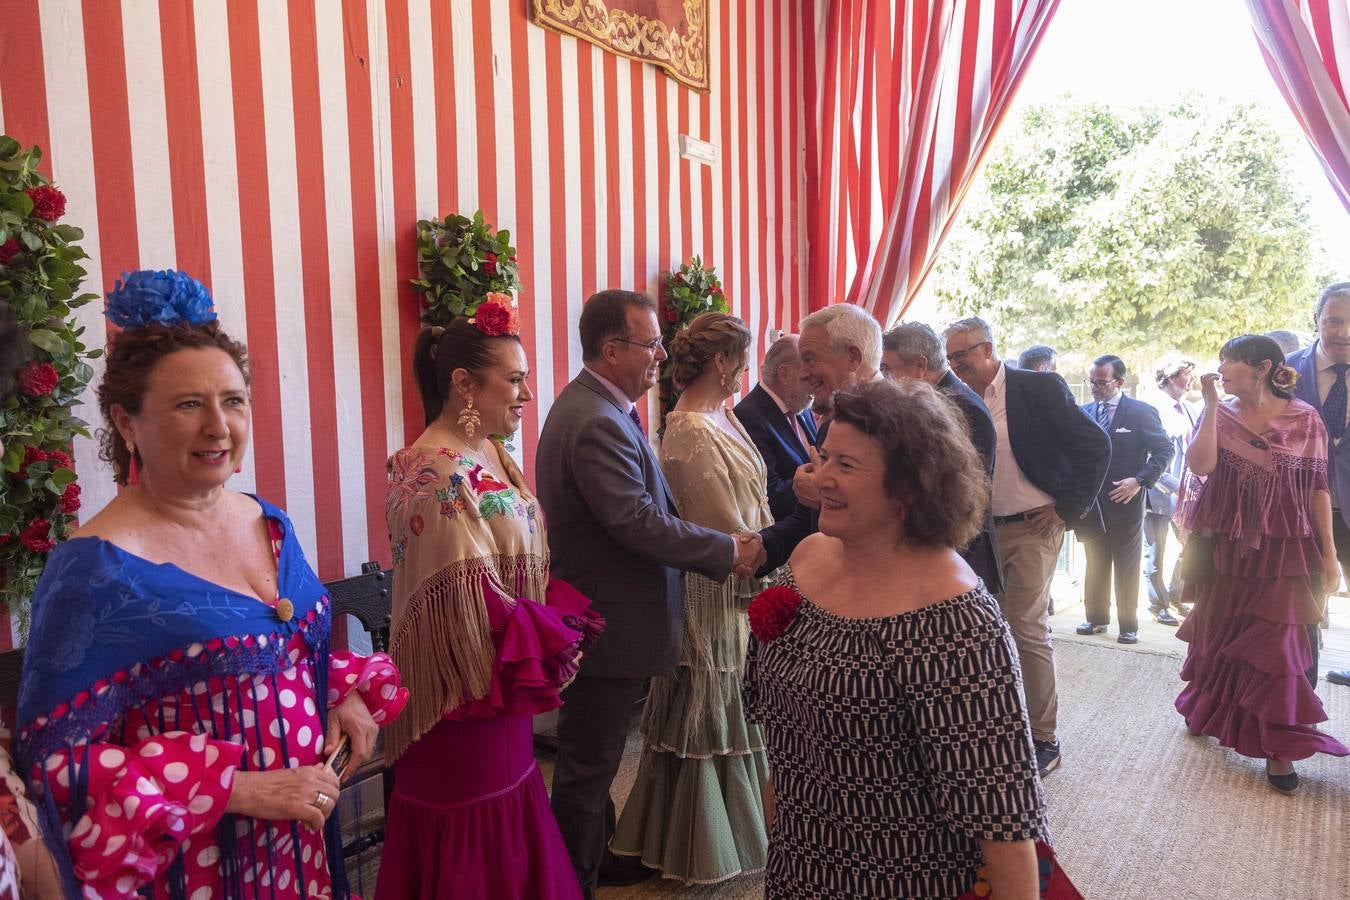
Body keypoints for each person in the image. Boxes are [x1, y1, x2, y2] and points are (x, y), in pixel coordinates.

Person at [15, 270, 409, 899]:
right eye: (188, 404)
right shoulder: (95, 569)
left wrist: (342, 695)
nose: (218, 427)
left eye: (233, 400)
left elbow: (288, 654)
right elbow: (55, 761)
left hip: (300, 845)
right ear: (125, 421)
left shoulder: (266, 520)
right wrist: (239, 788)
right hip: (195, 866)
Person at [743, 379, 1049, 898]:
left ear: (911, 485)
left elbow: (1005, 821)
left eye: (847, 465)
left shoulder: (956, 622)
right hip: (800, 864)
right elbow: (788, 730)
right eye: (823, 459)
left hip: (905, 880)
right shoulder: (807, 558)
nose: (821, 479)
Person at [536, 290, 763, 899]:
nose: (660, 356)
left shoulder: (601, 407)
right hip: (607, 620)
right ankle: (574, 883)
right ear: (611, 351)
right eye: (649, 344)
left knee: (598, 757)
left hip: (611, 613)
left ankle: (598, 858)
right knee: (587, 767)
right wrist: (726, 551)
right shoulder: (594, 419)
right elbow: (636, 521)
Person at [375, 299, 604, 899]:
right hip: (463, 687)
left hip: (496, 680)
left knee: (509, 806)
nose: (527, 392)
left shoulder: (490, 453)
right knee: (472, 822)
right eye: (515, 378)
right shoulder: (433, 468)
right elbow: (469, 593)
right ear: (463, 385)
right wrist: (550, 636)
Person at [611, 312, 771, 885]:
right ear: (722, 361)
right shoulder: (688, 428)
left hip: (745, 577)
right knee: (707, 708)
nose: (745, 369)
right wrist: (762, 564)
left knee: (738, 706)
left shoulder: (722, 417)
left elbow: (754, 503)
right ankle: (695, 845)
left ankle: (745, 830)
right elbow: (716, 522)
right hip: (717, 584)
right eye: (742, 357)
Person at [1177, 334, 1349, 792]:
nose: (1220, 369)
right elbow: (1200, 465)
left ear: (1262, 367)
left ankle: (1278, 751)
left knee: (1280, 651)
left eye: (1228, 361)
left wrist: (1329, 556)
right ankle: (1206, 709)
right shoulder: (1222, 413)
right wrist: (1211, 405)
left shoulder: (1304, 418)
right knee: (1221, 632)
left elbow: (1318, 490)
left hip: (1286, 549)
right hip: (1227, 544)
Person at [943, 316, 1111, 776]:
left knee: (1026, 627)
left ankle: (1043, 738)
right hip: (976, 533)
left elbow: (1095, 446)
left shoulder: (1038, 388)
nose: (957, 365)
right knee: (980, 630)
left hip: (1032, 528)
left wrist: (1067, 507)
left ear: (989, 349)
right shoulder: (952, 398)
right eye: (951, 357)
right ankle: (997, 725)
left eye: (964, 355)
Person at [757, 303, 883, 574]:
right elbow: (807, 519)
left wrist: (828, 495)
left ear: (853, 357)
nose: (802, 373)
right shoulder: (831, 425)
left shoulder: (909, 425)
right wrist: (758, 547)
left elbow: (921, 523)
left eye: (810, 359)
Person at [881, 321, 1002, 593]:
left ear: (921, 365)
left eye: (888, 368)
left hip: (959, 554)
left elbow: (962, 495)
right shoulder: (935, 400)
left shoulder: (960, 405)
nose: (885, 379)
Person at [1076, 355, 1173, 643]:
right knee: (1094, 561)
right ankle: (1095, 618)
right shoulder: (1084, 412)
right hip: (1091, 503)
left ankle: (1128, 624)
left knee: (1126, 563)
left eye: (1102, 382)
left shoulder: (1141, 412)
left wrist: (1139, 480)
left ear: (1119, 381)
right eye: (1091, 382)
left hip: (1126, 500)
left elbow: (1164, 451)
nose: (1095, 387)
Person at [1287, 282, 1350, 687]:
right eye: (1334, 321)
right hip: (1296, 507)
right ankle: (1300, 691)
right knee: (1303, 602)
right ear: (1316, 321)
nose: (1344, 332)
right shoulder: (1282, 371)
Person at [734, 335, 818, 521]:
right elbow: (769, 493)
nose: (815, 385)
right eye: (808, 377)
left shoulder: (801, 405)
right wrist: (821, 483)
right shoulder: (748, 416)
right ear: (784, 374)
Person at [1144, 356, 1198, 621]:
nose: (1190, 378)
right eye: (1185, 373)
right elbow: (1150, 454)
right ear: (1170, 377)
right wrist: (1173, 486)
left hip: (1188, 492)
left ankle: (1177, 595)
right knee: (1156, 552)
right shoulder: (1152, 408)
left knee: (1191, 545)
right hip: (1159, 492)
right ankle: (1157, 604)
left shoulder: (1189, 408)